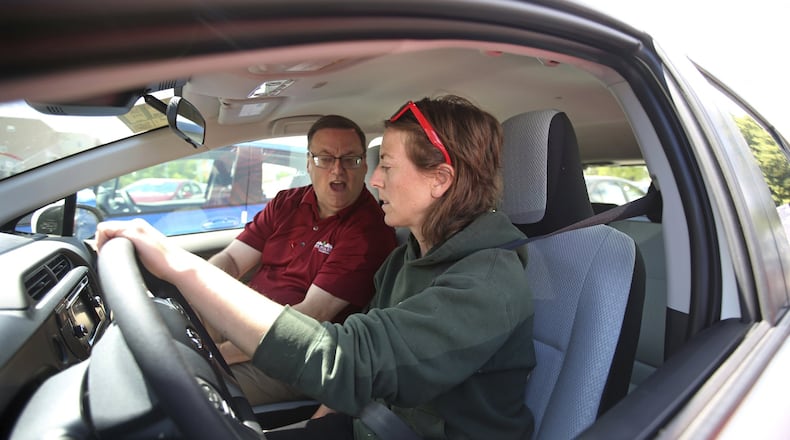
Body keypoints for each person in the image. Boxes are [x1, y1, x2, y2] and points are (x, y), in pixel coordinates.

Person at [97, 95, 536, 439]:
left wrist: (181, 267)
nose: (375, 179)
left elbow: (350, 359)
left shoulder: (488, 282)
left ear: (439, 179)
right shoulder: (408, 258)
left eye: (384, 164)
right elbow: (364, 372)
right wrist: (318, 427)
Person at [209, 114, 399, 405]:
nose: (337, 170)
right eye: (325, 158)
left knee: (192, 387)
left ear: (364, 167)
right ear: (308, 163)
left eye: (350, 160)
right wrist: (200, 297)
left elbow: (310, 315)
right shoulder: (286, 203)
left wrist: (219, 354)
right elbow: (232, 260)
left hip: (291, 354)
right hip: (243, 321)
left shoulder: (369, 231)